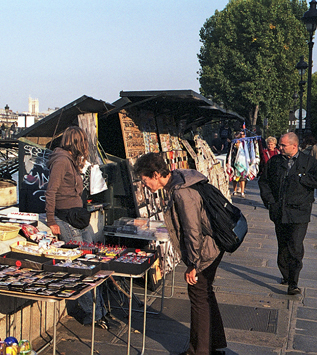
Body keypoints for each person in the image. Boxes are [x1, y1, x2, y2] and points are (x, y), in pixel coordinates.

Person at [133, 152, 227, 355]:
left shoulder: (181, 192)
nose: (145, 185)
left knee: (199, 295)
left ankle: (200, 351)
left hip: (205, 250)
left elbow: (192, 230)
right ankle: (213, 345)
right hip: (211, 245)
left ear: (156, 174)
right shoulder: (181, 179)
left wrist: (193, 264)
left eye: (145, 180)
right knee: (205, 293)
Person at [44, 126, 110, 329]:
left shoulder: (71, 161)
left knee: (91, 262)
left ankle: (99, 310)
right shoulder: (62, 160)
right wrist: (51, 221)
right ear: (77, 142)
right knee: (82, 266)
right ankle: (93, 313)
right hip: (66, 218)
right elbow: (51, 191)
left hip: (78, 217)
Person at [258, 132, 317, 296]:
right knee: (283, 246)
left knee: (295, 246)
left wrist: (303, 179)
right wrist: (270, 201)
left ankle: (293, 282)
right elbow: (264, 182)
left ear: (294, 145)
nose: (280, 148)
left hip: (299, 213)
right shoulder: (275, 161)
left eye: (283, 145)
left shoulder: (308, 161)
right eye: (280, 145)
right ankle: (285, 274)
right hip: (280, 211)